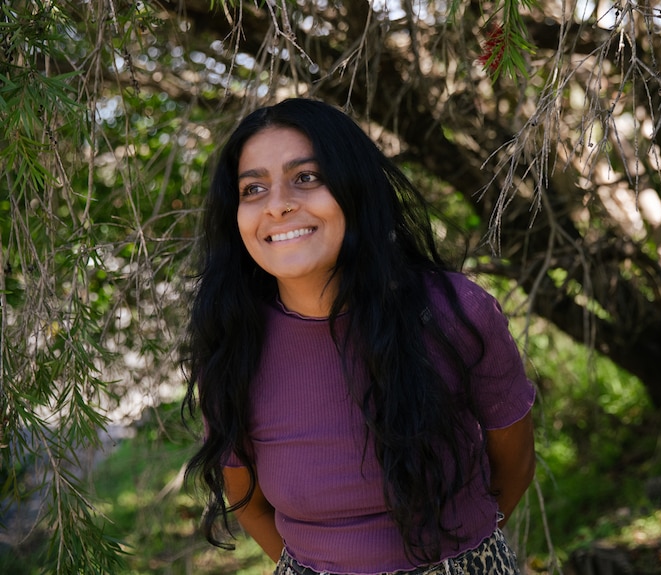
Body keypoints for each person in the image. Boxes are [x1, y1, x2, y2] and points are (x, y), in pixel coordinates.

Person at [183, 98, 536, 575]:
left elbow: (513, 467)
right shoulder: (231, 346)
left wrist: (465, 556)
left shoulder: (456, 313)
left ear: (355, 187)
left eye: (306, 177)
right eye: (253, 188)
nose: (279, 204)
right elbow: (249, 503)